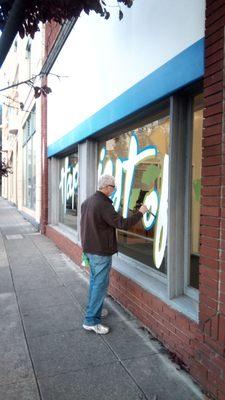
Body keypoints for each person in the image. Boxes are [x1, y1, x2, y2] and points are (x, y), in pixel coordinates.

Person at [80, 174, 148, 335]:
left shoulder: (87, 201)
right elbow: (121, 224)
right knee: (99, 285)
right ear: (106, 187)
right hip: (100, 251)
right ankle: (91, 321)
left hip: (90, 249)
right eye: (113, 186)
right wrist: (140, 212)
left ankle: (93, 311)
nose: (114, 189)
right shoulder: (103, 204)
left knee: (95, 282)